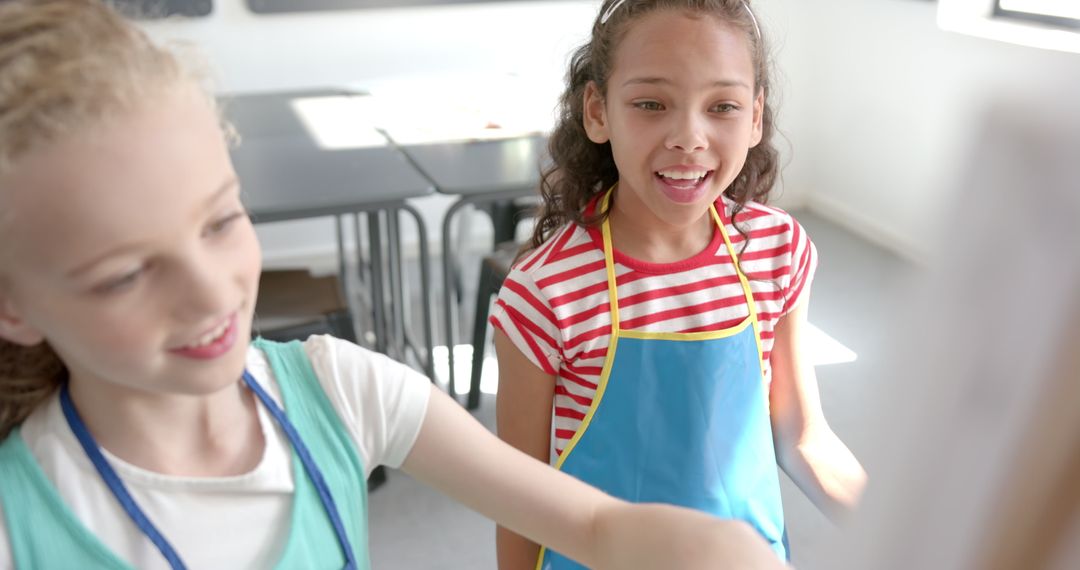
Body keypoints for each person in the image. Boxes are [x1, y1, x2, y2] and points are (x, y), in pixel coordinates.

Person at [0, 1, 786, 569]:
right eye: (127, 274)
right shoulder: (22, 520)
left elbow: (597, 525)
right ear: (13, 302)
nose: (210, 296)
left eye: (219, 222)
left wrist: (719, 551)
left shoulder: (340, 389)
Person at [490, 0, 866, 567]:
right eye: (650, 103)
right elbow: (521, 500)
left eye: (722, 106)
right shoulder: (545, 294)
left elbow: (803, 438)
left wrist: (909, 534)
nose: (689, 137)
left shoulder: (776, 251)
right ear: (598, 111)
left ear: (756, 116)